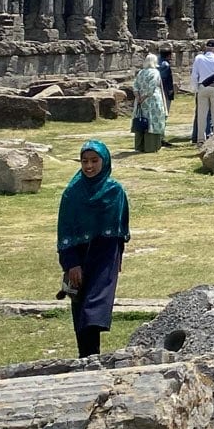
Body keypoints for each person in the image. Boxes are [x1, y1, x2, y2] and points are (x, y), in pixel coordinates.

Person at [56, 139, 128, 357]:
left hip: (106, 254)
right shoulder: (72, 193)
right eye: (85, 161)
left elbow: (120, 228)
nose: (89, 166)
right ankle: (86, 355)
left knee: (95, 307)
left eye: (94, 161)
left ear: (104, 161)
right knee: (80, 303)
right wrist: (71, 264)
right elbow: (65, 230)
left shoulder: (115, 191)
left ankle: (92, 355)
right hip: (79, 253)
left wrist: (119, 259)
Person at [132, 56, 167, 151]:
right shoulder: (155, 72)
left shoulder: (141, 72)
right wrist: (144, 97)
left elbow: (135, 85)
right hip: (152, 101)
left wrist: (138, 97)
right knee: (152, 122)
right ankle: (151, 146)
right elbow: (151, 88)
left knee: (141, 121)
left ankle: (140, 146)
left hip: (140, 101)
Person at [190, 40, 214, 143]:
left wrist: (195, 89)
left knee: (201, 114)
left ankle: (200, 139)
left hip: (202, 87)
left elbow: (194, 75)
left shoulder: (199, 58)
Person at [157, 48, 177, 133]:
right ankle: (161, 134)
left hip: (158, 91)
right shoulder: (165, 65)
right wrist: (170, 91)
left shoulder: (156, 63)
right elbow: (165, 80)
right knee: (164, 113)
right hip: (164, 92)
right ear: (169, 55)